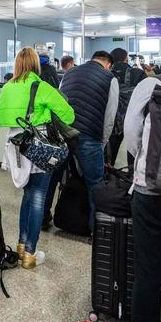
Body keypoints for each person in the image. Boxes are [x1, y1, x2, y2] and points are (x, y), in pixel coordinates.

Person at [0, 47, 75, 269]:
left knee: (27, 195)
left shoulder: (6, 88)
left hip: (16, 147)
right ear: (36, 64)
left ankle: (22, 244)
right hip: (39, 148)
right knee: (39, 197)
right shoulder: (41, 87)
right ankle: (30, 253)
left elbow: (6, 118)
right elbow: (69, 116)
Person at [124, 73, 161, 322]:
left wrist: (141, 163)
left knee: (149, 270)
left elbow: (131, 130)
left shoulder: (151, 85)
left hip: (150, 189)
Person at [60, 51, 118, 235]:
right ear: (108, 64)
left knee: (53, 179)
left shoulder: (68, 73)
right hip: (88, 135)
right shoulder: (110, 78)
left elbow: (59, 101)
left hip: (63, 132)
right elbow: (110, 116)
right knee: (95, 183)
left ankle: (45, 219)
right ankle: (96, 231)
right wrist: (102, 143)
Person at [108, 47, 147, 169]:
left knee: (111, 146)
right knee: (134, 147)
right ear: (126, 59)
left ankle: (110, 168)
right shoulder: (138, 73)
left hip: (112, 118)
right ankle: (132, 173)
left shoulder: (106, 74)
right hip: (135, 117)